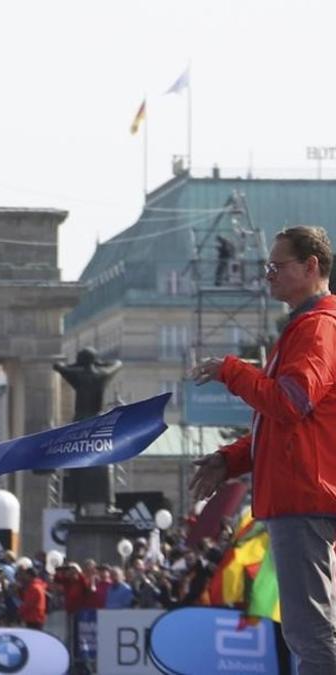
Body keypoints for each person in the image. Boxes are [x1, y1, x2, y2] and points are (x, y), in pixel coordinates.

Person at [189, 225, 336, 674]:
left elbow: (290, 403)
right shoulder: (307, 327)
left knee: (312, 634)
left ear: (311, 266)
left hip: (303, 497)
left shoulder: (316, 330)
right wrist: (229, 459)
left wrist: (232, 371)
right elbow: (282, 424)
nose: (267, 275)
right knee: (311, 631)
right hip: (302, 494)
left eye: (277, 265)